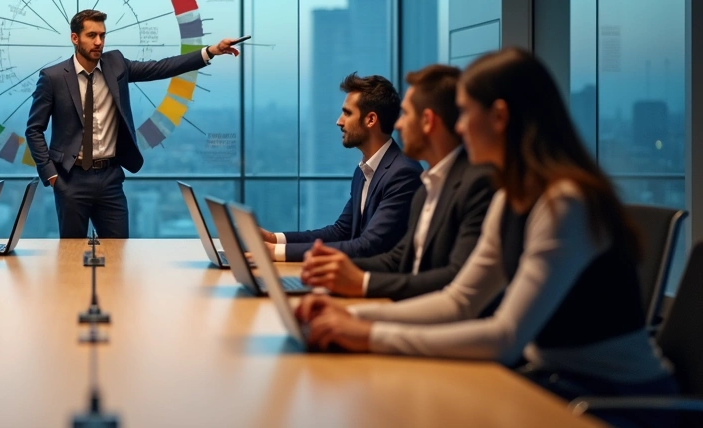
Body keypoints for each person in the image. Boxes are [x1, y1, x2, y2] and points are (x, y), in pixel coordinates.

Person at [298, 48, 676, 408]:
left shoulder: (564, 202)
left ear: (498, 116)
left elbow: (505, 338)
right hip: (554, 383)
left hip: (616, 402)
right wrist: (349, 316)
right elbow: (460, 300)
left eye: (463, 112)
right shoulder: (511, 196)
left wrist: (369, 335)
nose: (458, 126)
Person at [25, 9, 242, 238]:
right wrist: (51, 175)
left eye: (102, 35)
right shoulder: (53, 77)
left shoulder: (116, 64)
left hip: (110, 179)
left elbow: (162, 67)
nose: (99, 42)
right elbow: (34, 129)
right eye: (91, 35)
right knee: (71, 256)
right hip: (70, 180)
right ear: (75, 38)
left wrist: (210, 52)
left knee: (119, 253)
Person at [298, 64, 494, 300]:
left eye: (406, 114)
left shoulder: (470, 184)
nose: (398, 125)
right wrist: (337, 272)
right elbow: (399, 259)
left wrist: (359, 287)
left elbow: (454, 281)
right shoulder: (428, 186)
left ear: (428, 121)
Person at [259, 73, 422, 261]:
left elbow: (368, 246)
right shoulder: (364, 171)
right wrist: (274, 239)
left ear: (370, 119)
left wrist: (274, 253)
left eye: (347, 113)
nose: (339, 121)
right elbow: (341, 231)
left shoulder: (403, 173)